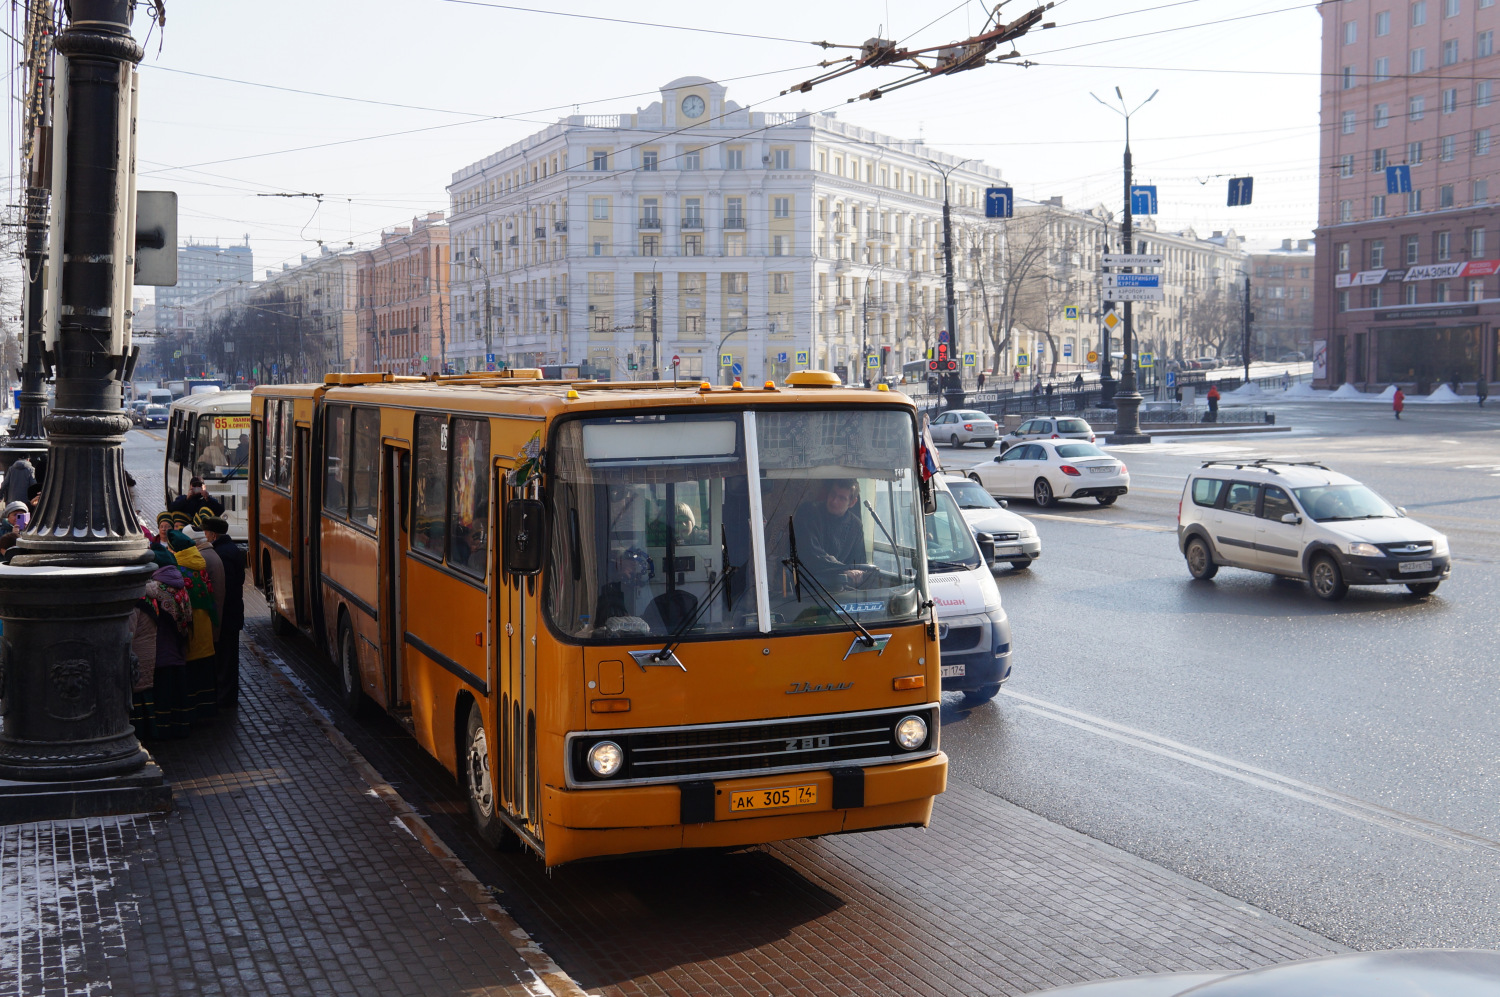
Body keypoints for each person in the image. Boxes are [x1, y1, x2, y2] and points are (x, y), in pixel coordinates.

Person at [166, 528, 219, 719]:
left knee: (191, 683)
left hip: (190, 636)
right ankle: (207, 714)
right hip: (205, 634)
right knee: (204, 680)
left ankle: (193, 717)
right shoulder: (199, 566)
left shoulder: (178, 571)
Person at [794, 479, 870, 587]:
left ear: (852, 502)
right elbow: (811, 554)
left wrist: (857, 573)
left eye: (842, 498)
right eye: (833, 494)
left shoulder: (856, 526)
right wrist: (842, 570)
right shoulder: (809, 512)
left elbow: (858, 562)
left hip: (838, 588)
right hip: (806, 586)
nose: (834, 501)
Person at [202, 516, 245, 707]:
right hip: (233, 613)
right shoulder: (231, 549)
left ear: (213, 534)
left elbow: (224, 588)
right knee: (230, 656)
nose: (204, 536)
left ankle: (226, 697)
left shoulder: (221, 554)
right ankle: (228, 695)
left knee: (226, 658)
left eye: (205, 532)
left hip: (227, 615)